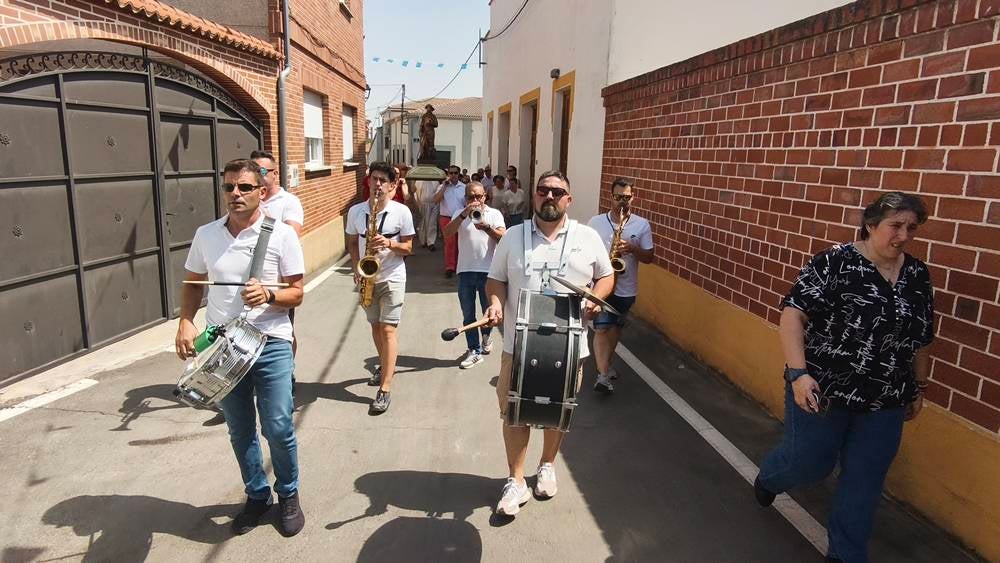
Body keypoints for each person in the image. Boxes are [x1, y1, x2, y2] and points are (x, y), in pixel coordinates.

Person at [754, 192, 934, 563]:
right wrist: (798, 374)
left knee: (865, 481)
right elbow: (792, 316)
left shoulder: (917, 275)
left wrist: (918, 386)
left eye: (911, 228)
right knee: (809, 464)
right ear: (870, 225)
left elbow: (921, 338)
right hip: (823, 390)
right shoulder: (833, 262)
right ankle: (770, 477)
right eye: (895, 226)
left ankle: (846, 554)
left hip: (886, 398)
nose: (903, 235)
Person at [175, 158, 306, 537]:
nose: (235, 193)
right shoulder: (207, 234)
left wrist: (269, 293)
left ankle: (288, 493)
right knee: (240, 428)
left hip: (269, 342)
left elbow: (297, 292)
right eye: (229, 187)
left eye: (245, 187)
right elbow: (193, 283)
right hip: (224, 350)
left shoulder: (281, 235)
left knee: (279, 426)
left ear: (261, 192)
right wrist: (186, 321)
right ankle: (256, 494)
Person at [484, 170, 614, 517]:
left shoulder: (587, 237)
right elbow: (495, 280)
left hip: (570, 349)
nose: (550, 196)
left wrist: (596, 298)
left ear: (569, 199)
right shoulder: (512, 236)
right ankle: (516, 480)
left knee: (559, 411)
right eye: (544, 190)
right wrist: (495, 303)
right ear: (535, 196)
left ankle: (547, 465)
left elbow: (606, 274)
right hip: (518, 344)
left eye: (559, 191)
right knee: (514, 412)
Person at [346, 161, 415, 414]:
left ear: (393, 185)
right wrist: (356, 268)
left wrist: (388, 243)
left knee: (388, 329)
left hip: (394, 276)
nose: (377, 185)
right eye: (373, 179)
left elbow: (408, 248)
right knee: (375, 327)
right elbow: (352, 242)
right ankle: (386, 364)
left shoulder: (401, 213)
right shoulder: (355, 212)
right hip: (367, 277)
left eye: (382, 181)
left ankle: (385, 387)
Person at [586, 178, 654, 394]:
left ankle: (606, 364)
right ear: (610, 196)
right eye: (617, 197)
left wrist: (633, 248)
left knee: (615, 329)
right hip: (601, 286)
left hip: (626, 287)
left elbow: (649, 257)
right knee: (602, 328)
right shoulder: (595, 223)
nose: (621, 202)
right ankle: (603, 376)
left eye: (626, 197)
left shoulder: (641, 224)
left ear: (633, 197)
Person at [252, 150, 305, 391]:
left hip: (279, 282)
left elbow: (292, 233)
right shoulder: (248, 198)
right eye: (254, 170)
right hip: (251, 277)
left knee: (283, 332)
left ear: (275, 173)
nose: (258, 175)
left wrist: (263, 219)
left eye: (262, 171)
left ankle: (286, 376)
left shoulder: (288, 202)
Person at [442, 181, 506, 369]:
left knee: (488, 313)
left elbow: (503, 238)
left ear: (485, 196)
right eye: (471, 197)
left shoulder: (494, 214)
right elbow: (447, 233)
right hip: (465, 271)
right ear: (466, 198)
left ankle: (486, 337)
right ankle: (474, 350)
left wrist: (486, 227)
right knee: (468, 314)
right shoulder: (459, 214)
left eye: (479, 196)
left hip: (489, 272)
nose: (475, 200)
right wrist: (463, 215)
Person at [433, 165, 466, 277]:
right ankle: (450, 266)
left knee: (460, 242)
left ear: (458, 174)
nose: (453, 175)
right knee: (449, 243)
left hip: (461, 218)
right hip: (446, 218)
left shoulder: (464, 187)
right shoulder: (442, 187)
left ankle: (459, 265)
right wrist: (444, 187)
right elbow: (435, 200)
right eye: (450, 173)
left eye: (455, 173)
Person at [415, 179, 439, 250]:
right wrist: (417, 204)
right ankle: (423, 241)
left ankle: (431, 242)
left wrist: (436, 204)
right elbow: (416, 193)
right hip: (422, 204)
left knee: (432, 223)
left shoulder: (436, 181)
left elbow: (437, 193)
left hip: (433, 204)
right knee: (422, 223)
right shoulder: (418, 181)